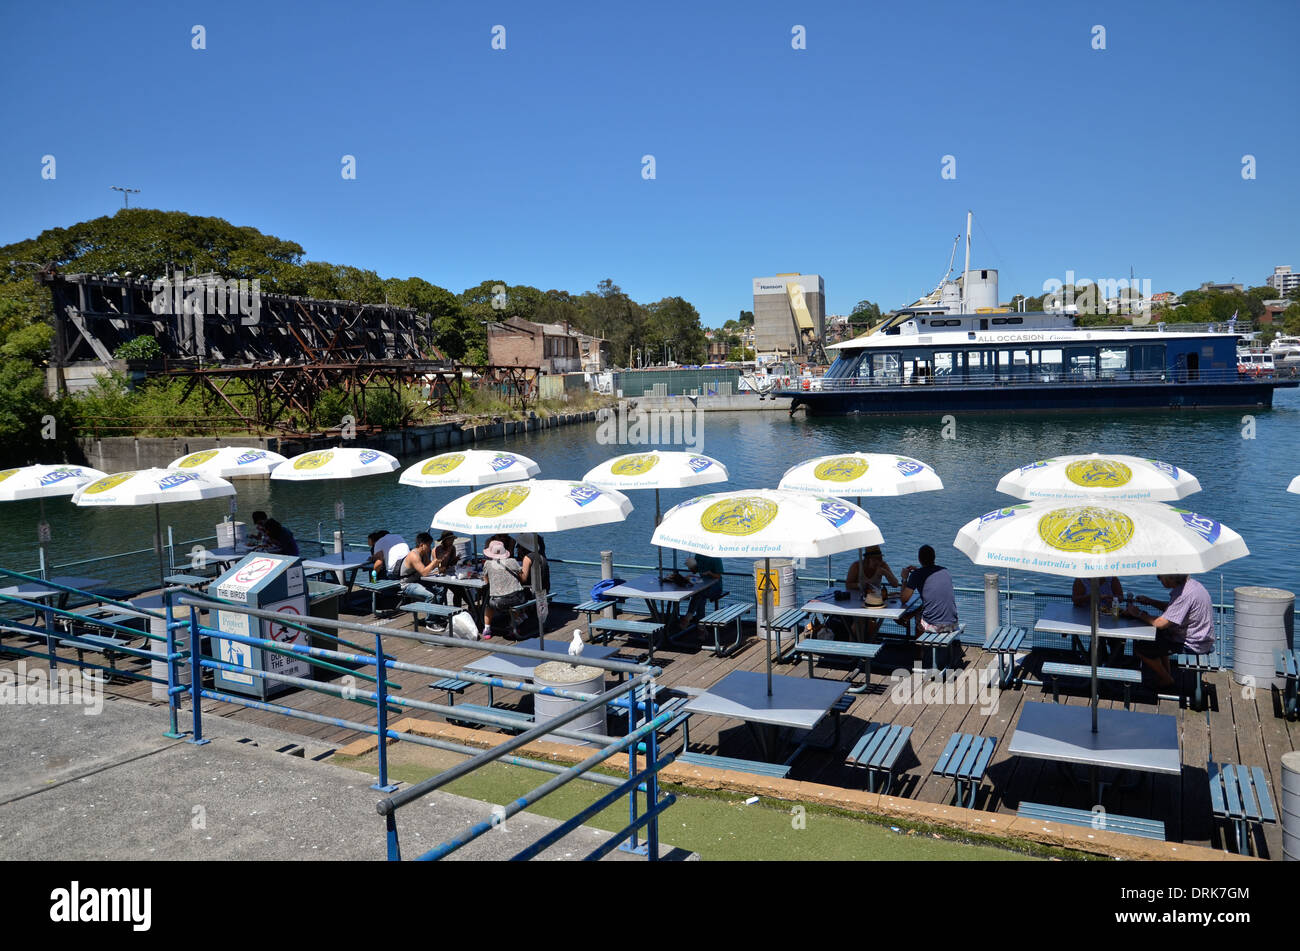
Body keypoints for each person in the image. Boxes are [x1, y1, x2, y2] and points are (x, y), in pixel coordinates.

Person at [1125, 573, 1215, 690]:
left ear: (1171, 578)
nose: (1159, 580)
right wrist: (1150, 601)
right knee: (1159, 637)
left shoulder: (1184, 594)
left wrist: (1137, 613)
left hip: (1193, 644)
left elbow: (1161, 624)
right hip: (1202, 638)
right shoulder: (1192, 586)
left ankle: (1166, 679)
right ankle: (1166, 673)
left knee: (1141, 648)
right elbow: (1173, 609)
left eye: (1161, 577)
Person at [898, 544, 958, 634]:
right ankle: (906, 618)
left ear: (919, 559)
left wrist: (904, 578)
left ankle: (920, 646)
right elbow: (929, 575)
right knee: (922, 608)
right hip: (953, 623)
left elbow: (903, 599)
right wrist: (918, 571)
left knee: (918, 617)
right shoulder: (945, 571)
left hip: (935, 627)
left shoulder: (917, 575)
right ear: (934, 558)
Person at [847, 545, 900, 638]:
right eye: (875, 559)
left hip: (875, 603)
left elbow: (895, 584)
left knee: (870, 626)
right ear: (868, 559)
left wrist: (885, 572)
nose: (878, 562)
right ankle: (854, 646)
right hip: (858, 602)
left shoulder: (882, 565)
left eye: (879, 559)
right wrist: (859, 585)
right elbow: (848, 585)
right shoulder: (856, 566)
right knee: (859, 624)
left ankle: (869, 644)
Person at [482, 538, 528, 636]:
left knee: (487, 604)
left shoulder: (487, 564)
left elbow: (487, 582)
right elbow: (522, 576)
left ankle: (487, 629)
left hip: (497, 602)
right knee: (515, 594)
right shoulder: (512, 561)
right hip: (517, 599)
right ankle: (513, 625)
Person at [680, 552, 723, 628]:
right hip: (702, 585)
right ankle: (701, 627)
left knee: (699, 594)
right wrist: (691, 566)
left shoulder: (716, 558)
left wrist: (709, 573)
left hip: (716, 587)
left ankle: (689, 616)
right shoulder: (698, 555)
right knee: (700, 597)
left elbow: (718, 576)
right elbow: (696, 570)